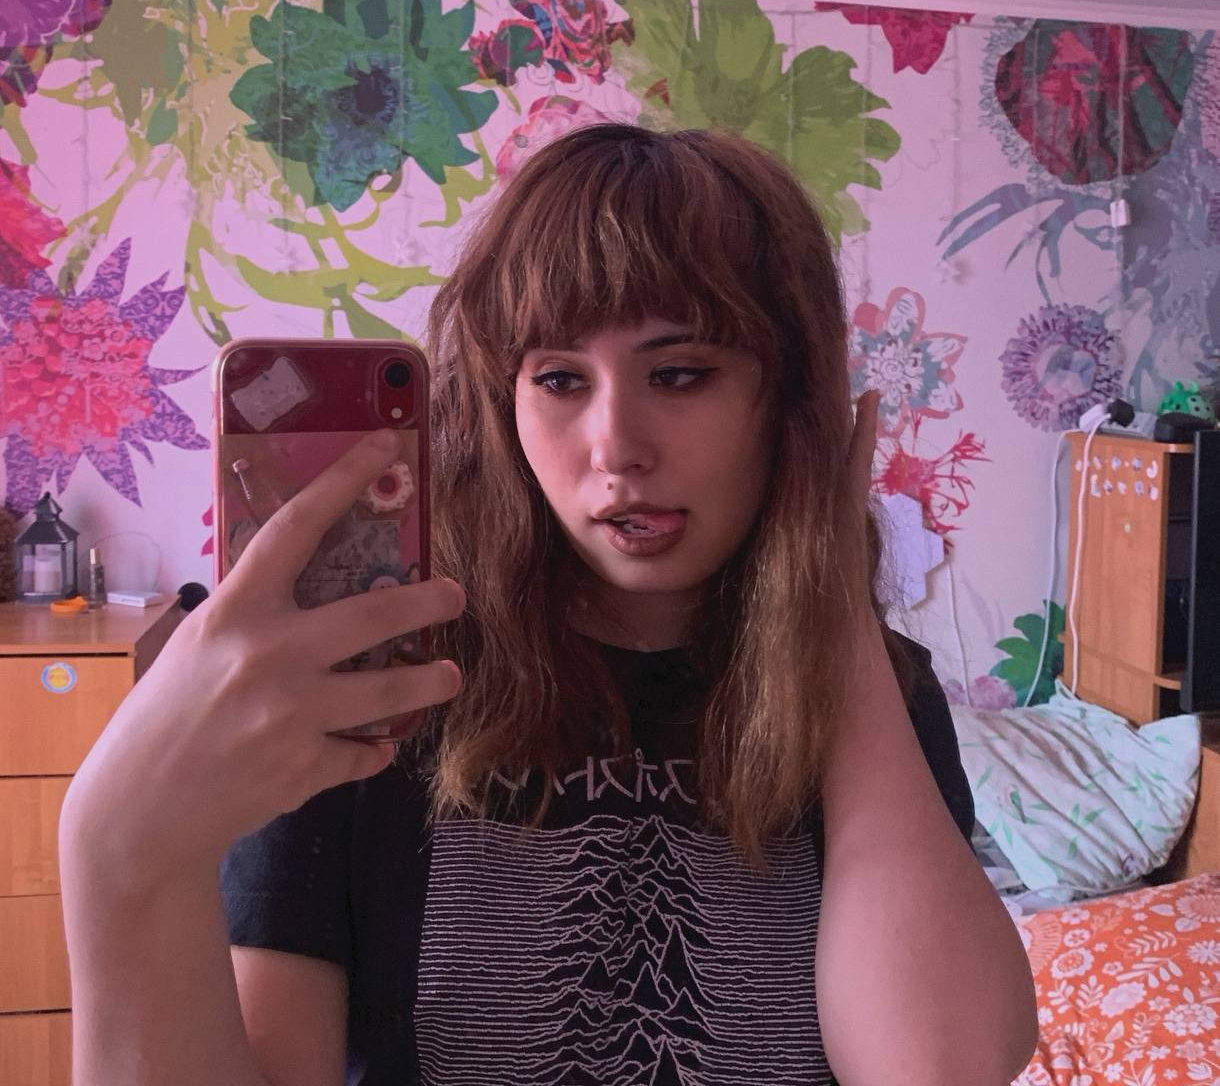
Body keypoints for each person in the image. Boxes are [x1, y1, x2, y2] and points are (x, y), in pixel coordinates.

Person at [59, 125, 1037, 1086]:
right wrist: (114, 851)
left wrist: (829, 594)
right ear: (505, 403)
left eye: (679, 373)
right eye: (560, 379)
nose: (614, 446)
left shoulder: (874, 690)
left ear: (789, 401)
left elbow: (938, 1067)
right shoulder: (379, 684)